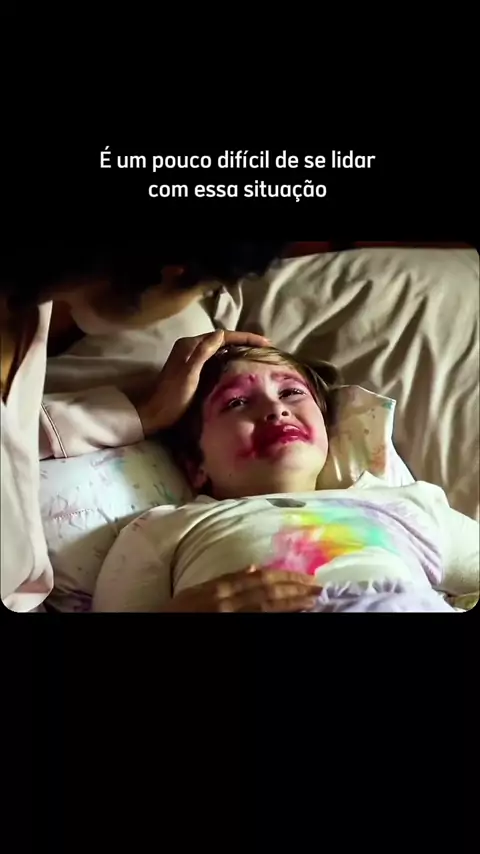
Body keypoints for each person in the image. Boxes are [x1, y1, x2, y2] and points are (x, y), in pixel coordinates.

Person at [1, 240, 287, 612]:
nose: (277, 411)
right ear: (173, 270)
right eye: (206, 292)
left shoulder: (27, 307)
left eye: (292, 392)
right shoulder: (155, 540)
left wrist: (145, 413)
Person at [92, 344, 479, 613]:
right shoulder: (163, 529)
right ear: (196, 465)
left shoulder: (405, 505)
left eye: (291, 392)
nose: (275, 410)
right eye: (236, 402)